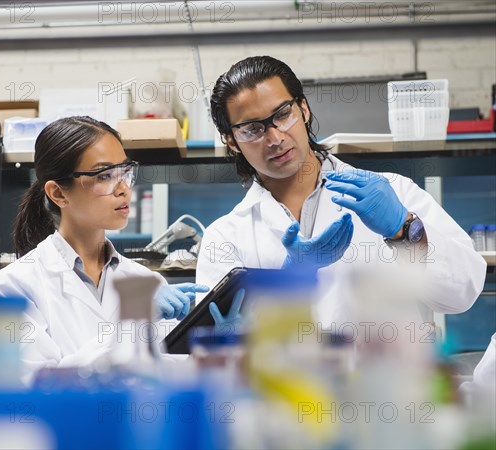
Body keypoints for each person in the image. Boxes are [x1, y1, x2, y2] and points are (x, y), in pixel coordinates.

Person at [196, 56, 486, 328]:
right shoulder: (225, 237)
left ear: (304, 109)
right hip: (283, 383)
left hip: (384, 380)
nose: (274, 138)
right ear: (231, 141)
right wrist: (287, 281)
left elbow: (463, 292)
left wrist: (404, 228)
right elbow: (213, 347)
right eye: (252, 129)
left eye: (283, 115)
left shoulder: (393, 191)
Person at [0, 116, 210, 384]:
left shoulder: (147, 282)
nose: (124, 189)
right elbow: (39, 385)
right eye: (105, 175)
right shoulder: (14, 284)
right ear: (58, 193)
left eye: (125, 172)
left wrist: (210, 338)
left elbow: (171, 377)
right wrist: (133, 324)